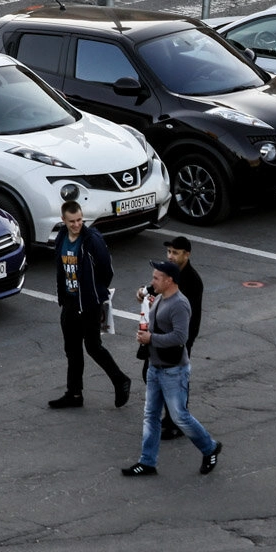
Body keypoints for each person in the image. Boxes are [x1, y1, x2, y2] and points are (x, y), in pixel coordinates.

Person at [123, 260, 221, 477]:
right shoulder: (161, 296)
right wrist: (141, 295)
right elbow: (145, 291)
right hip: (156, 367)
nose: (152, 281)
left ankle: (210, 448)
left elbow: (180, 337)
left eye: (156, 278)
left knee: (180, 417)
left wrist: (151, 338)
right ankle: (147, 462)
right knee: (151, 415)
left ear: (169, 281)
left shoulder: (179, 304)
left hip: (174, 371)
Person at [49, 200, 134, 410]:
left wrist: (95, 292)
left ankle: (120, 379)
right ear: (63, 220)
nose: (77, 224)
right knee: (72, 350)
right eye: (72, 221)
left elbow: (107, 270)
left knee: (93, 346)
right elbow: (60, 267)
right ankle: (74, 394)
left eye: (79, 220)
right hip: (69, 301)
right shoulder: (61, 236)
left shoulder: (92, 240)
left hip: (89, 303)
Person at [156, 235, 202, 440]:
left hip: (180, 338)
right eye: (169, 252)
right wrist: (144, 292)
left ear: (187, 254)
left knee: (177, 380)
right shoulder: (170, 273)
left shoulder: (191, 280)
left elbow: (190, 317)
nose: (170, 256)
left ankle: (177, 422)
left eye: (175, 253)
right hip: (163, 335)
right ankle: (170, 418)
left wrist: (184, 341)